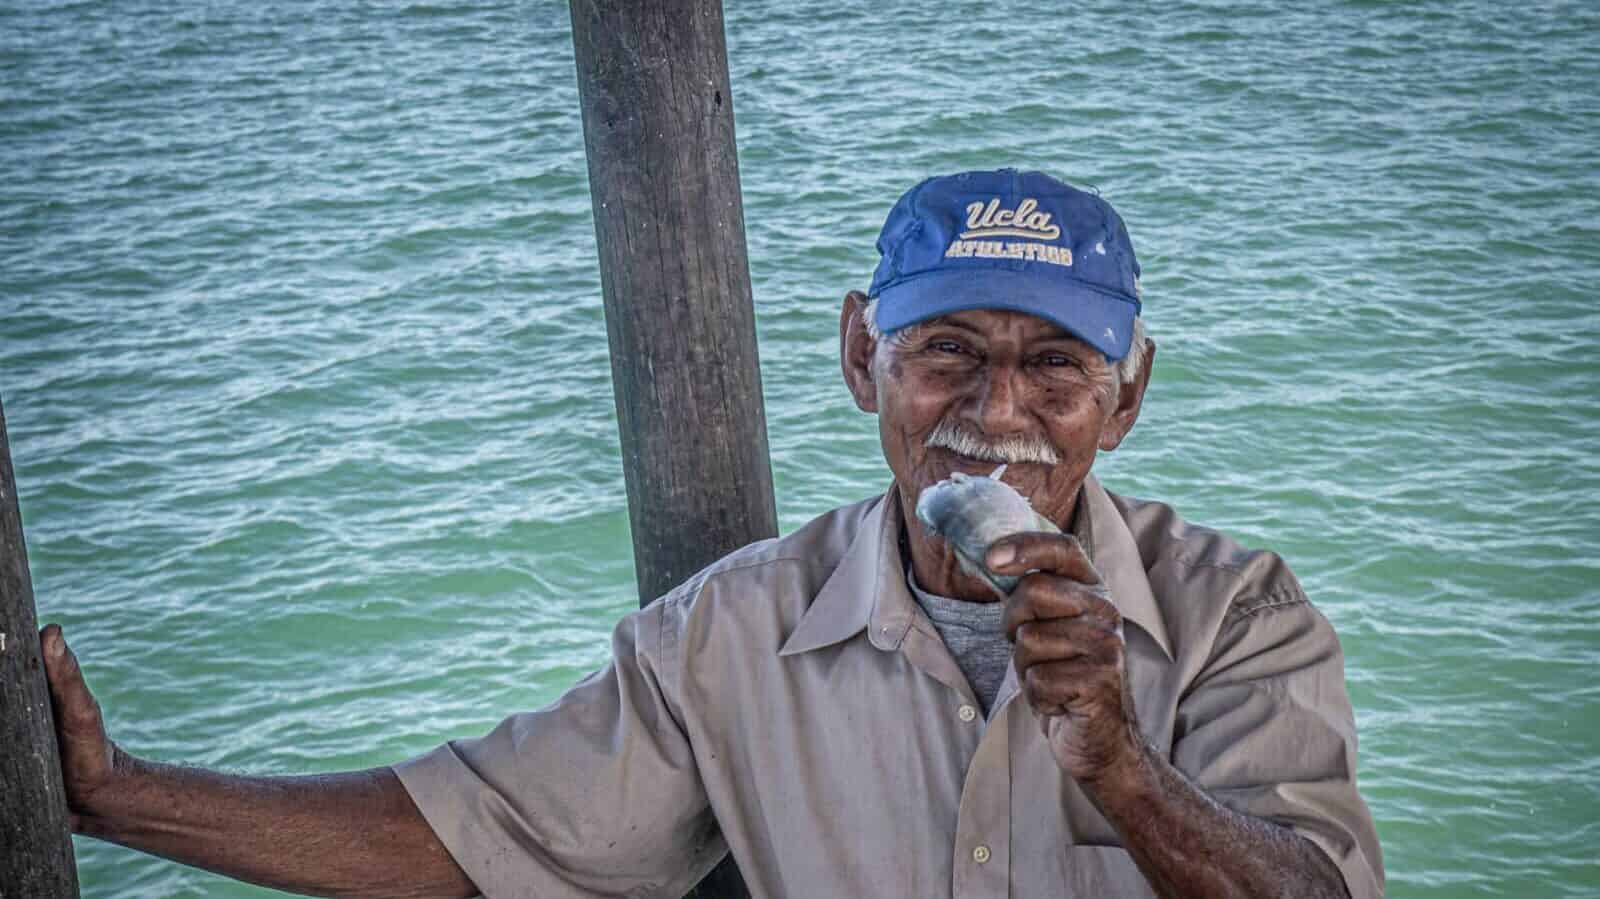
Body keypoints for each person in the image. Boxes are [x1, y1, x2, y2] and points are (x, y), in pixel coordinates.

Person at [40, 168, 1383, 898]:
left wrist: (1124, 769)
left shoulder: (1241, 619)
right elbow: (470, 838)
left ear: (1126, 398)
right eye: (946, 354)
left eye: (1055, 372)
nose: (994, 411)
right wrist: (114, 794)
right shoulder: (729, 634)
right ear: (862, 357)